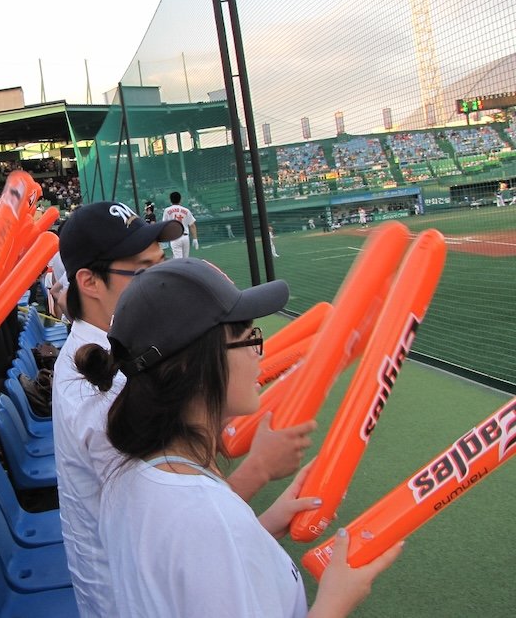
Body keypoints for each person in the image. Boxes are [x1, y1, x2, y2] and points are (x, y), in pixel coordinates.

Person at [77, 258, 402, 617]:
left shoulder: (133, 474)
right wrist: (335, 601)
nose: (257, 352)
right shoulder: (208, 519)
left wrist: (258, 528)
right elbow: (204, 540)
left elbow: (190, 578)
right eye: (247, 337)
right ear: (190, 367)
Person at [53, 201, 316, 618]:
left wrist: (255, 526)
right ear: (88, 281)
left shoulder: (105, 360)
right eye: (143, 271)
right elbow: (175, 522)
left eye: (161, 265)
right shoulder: (100, 393)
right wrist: (259, 469)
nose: (158, 282)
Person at [162, 190, 198, 257]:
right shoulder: (186, 210)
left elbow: (164, 225)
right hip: (185, 237)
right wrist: (195, 238)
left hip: (175, 237)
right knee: (185, 260)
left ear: (170, 200)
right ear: (180, 199)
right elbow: (192, 225)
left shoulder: (167, 210)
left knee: (178, 261)